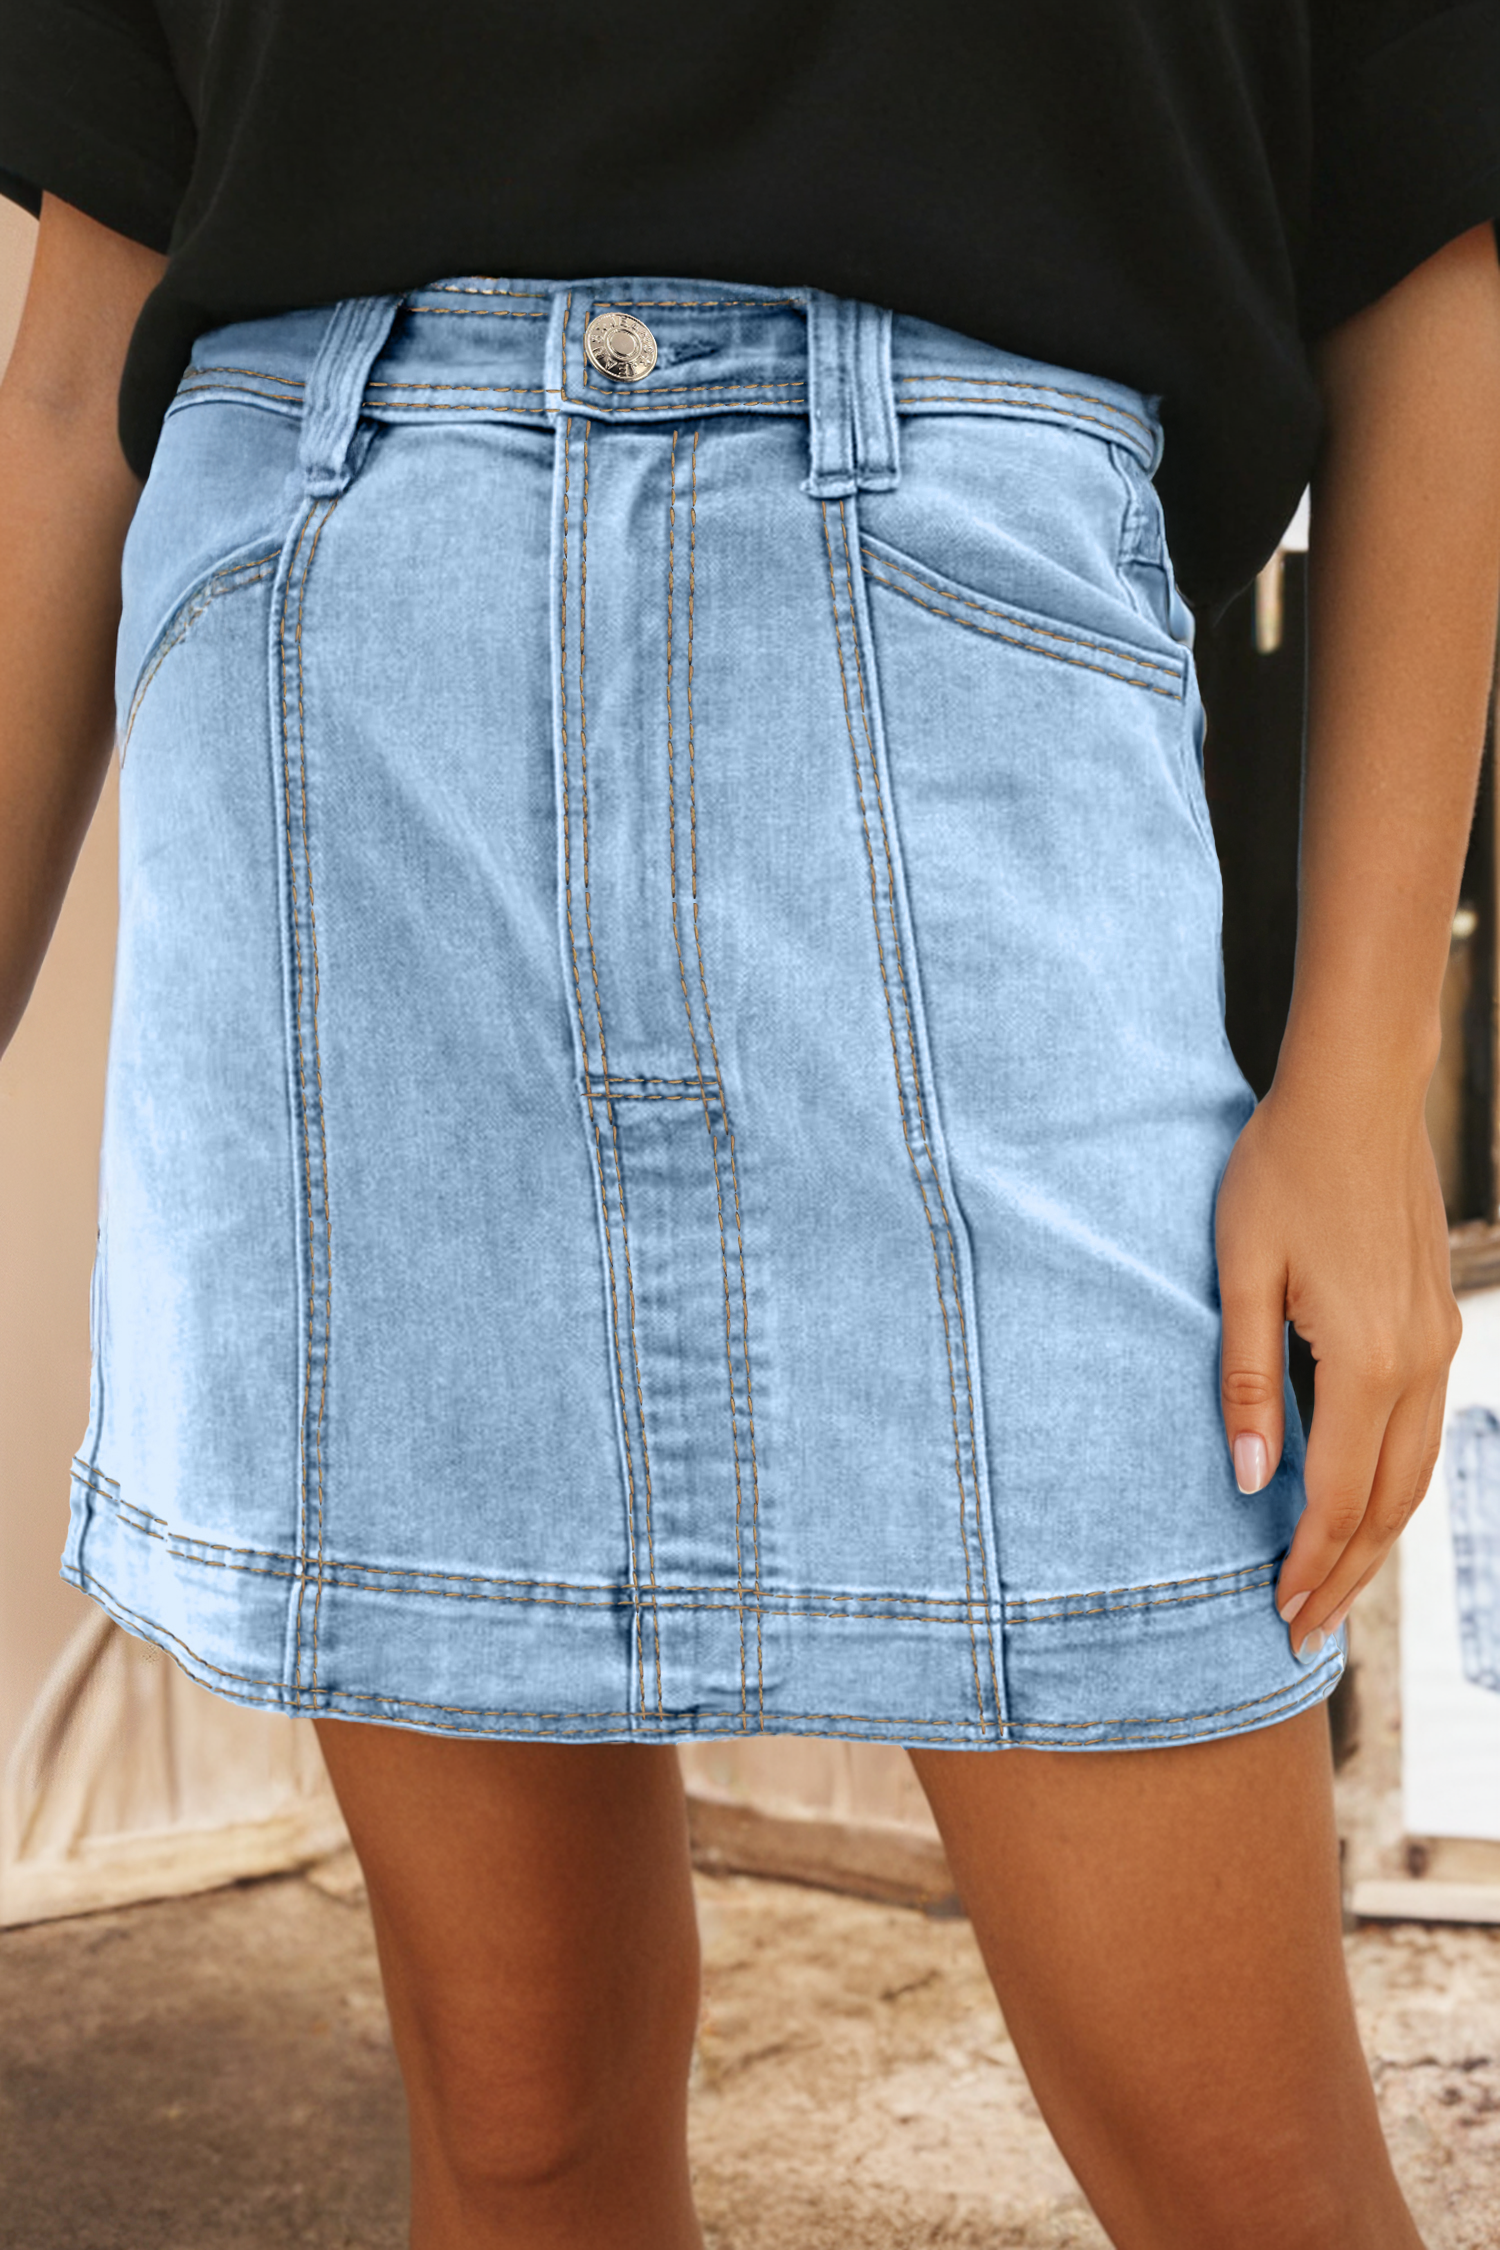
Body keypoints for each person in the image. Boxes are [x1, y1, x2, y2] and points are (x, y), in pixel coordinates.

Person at [2, 6, 1498, 2245]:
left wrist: (1365, 1071)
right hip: (341, 690)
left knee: (1245, 2170)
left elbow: (1431, 243)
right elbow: (72, 367)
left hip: (969, 690)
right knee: (524, 2118)